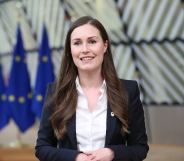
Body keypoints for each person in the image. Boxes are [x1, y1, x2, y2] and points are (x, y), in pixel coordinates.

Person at [35, 16, 149, 161]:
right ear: (70, 50)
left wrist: (112, 153)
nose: (85, 50)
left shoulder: (128, 90)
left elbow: (140, 148)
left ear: (105, 46)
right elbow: (42, 148)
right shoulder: (57, 93)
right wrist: (76, 158)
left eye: (92, 41)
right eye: (77, 43)